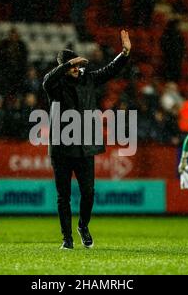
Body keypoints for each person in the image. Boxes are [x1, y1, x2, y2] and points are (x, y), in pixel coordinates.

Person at [43, 30, 131, 250]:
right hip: (62, 147)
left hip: (85, 146)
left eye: (75, 65)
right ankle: (67, 238)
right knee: (63, 197)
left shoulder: (88, 79)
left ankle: (83, 226)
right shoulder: (55, 85)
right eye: (71, 65)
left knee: (88, 192)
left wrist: (125, 53)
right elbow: (47, 80)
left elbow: (111, 70)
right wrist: (66, 64)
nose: (75, 69)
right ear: (64, 67)